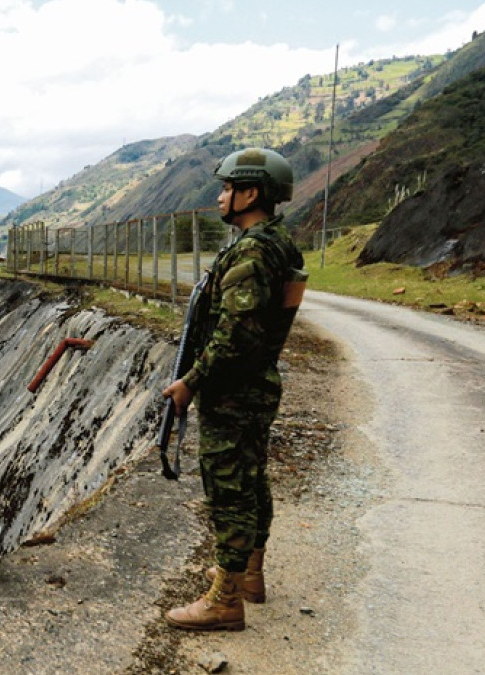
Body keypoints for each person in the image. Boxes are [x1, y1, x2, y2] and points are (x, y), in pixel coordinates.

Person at [161, 147, 307, 631]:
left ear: (252, 193)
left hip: (234, 390)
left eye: (228, 188)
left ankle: (225, 600)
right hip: (256, 384)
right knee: (252, 478)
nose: (222, 197)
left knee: (229, 489)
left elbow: (234, 334)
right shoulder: (276, 242)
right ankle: (250, 575)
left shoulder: (251, 252)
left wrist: (190, 382)